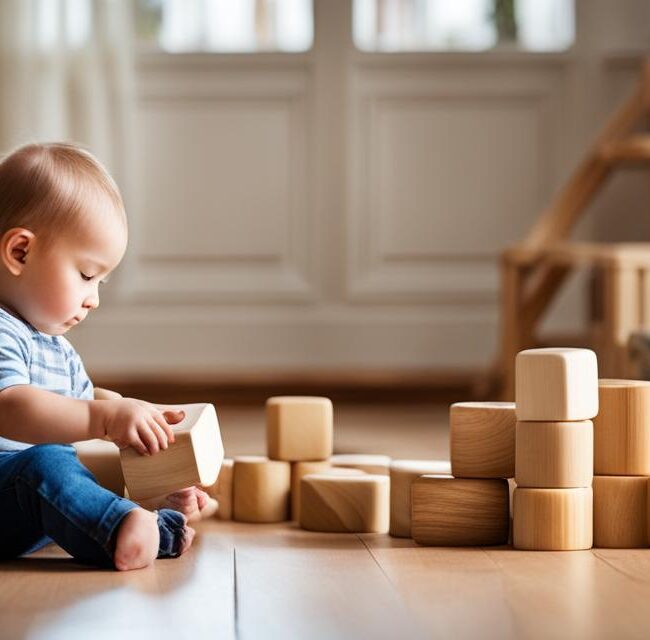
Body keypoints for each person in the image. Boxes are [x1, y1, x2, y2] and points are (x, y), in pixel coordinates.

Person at [0, 142, 208, 570]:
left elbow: (86, 403)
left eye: (101, 283)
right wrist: (106, 419)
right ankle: (118, 530)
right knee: (45, 463)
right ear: (20, 252)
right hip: (10, 485)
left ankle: (140, 521)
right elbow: (12, 408)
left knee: (66, 469)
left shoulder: (55, 348)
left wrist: (144, 434)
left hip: (26, 504)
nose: (93, 299)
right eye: (86, 275)